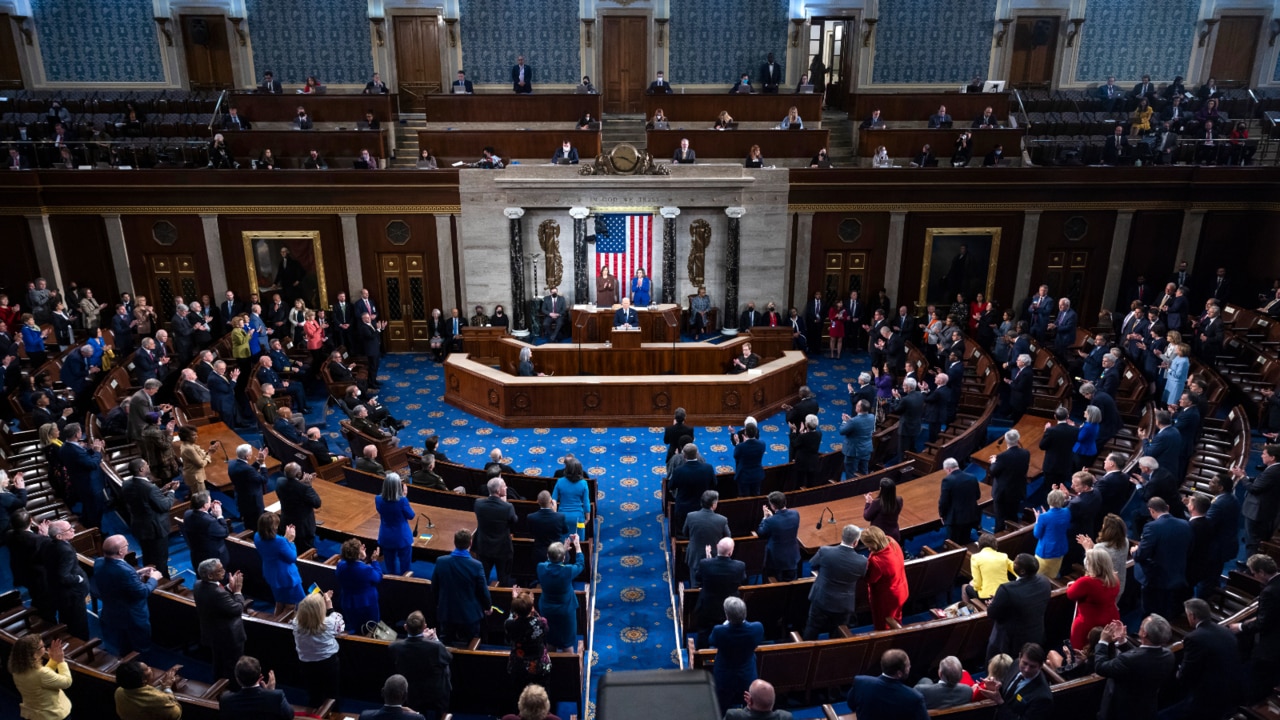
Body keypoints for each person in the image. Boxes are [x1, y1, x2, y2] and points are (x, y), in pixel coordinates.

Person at [1163, 598, 1243, 720]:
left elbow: (1188, 670)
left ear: (1192, 616)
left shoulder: (1194, 638)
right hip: (1233, 687)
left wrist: (1179, 673)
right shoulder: (1226, 631)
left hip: (1210, 694)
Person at [1094, 615, 1175, 720]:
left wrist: (1103, 642)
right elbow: (1142, 656)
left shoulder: (1129, 660)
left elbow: (1100, 667)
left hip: (1121, 711)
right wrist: (1122, 641)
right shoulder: (1168, 655)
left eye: (1141, 625)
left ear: (1144, 633)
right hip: (1146, 708)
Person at [94, 534, 160, 655]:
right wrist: (154, 579)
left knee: (123, 642)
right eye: (127, 545)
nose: (128, 547)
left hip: (112, 611)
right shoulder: (124, 571)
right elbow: (142, 592)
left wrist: (137, 573)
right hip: (131, 616)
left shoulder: (98, 562)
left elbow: (116, 579)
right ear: (120, 551)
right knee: (140, 646)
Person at [803, 524, 867, 640]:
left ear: (842, 537)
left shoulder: (825, 551)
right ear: (856, 542)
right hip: (843, 606)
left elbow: (812, 564)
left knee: (812, 628)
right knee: (837, 634)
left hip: (821, 599)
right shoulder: (862, 561)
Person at [1231, 553, 1280, 702]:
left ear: (1262, 572)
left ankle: (1253, 705)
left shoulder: (1269, 592)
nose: (1253, 576)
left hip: (1272, 644)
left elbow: (1262, 624)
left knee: (1259, 679)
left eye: (1254, 573)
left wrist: (1240, 626)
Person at [987, 554, 1052, 659]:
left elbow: (992, 613)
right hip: (1036, 634)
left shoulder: (1007, 589)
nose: (1013, 563)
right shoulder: (1044, 581)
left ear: (1022, 571)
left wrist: (993, 603)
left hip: (1010, 642)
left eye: (1015, 563)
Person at [432, 529, 491, 644]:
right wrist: (488, 606)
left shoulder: (441, 561)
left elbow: (434, 587)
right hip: (469, 615)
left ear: (454, 542)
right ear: (470, 543)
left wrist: (439, 605)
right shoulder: (476, 565)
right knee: (471, 642)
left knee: (445, 642)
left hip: (447, 611)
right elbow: (482, 590)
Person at [192, 558, 246, 683]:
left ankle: (217, 683)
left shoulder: (198, 584)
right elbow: (237, 609)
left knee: (218, 661)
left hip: (212, 632)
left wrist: (228, 588)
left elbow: (216, 600)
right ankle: (232, 687)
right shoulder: (217, 594)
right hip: (228, 636)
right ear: (210, 575)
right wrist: (237, 591)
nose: (224, 571)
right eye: (220, 570)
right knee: (232, 664)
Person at [120, 459, 176, 578]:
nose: (148, 466)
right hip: (155, 529)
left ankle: (147, 576)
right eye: (146, 465)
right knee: (160, 559)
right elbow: (165, 506)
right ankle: (163, 582)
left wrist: (162, 490)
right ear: (142, 469)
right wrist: (171, 491)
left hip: (140, 527)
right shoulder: (149, 487)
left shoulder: (126, 483)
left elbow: (144, 500)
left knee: (148, 555)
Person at [710, 596, 764, 712]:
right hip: (747, 673)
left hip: (724, 676)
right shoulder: (757, 628)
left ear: (727, 616)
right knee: (748, 706)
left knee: (721, 706)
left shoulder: (719, 631)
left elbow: (712, 641)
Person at [293, 591, 343, 709]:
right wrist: (330, 607)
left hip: (306, 665)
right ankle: (334, 712)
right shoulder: (329, 623)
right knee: (332, 693)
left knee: (314, 692)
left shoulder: (296, 623)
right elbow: (340, 627)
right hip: (328, 663)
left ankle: (314, 711)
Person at [846, 649, 929, 720]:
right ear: (899, 673)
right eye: (908, 665)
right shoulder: (914, 697)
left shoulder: (861, 682)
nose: (910, 667)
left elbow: (851, 705)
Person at [1066, 548, 1121, 650]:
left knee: (1082, 651)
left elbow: (1070, 594)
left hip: (1089, 624)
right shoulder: (1114, 578)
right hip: (1110, 619)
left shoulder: (1086, 582)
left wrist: (1072, 585)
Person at [978, 643, 1053, 719]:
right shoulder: (1016, 664)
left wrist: (1000, 702)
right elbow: (1008, 691)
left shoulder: (1043, 697)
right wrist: (998, 687)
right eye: (1025, 663)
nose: (1027, 669)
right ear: (1020, 657)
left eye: (1032, 666)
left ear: (1040, 666)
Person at [8, 633, 72, 720]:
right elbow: (66, 682)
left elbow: (43, 679)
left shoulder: (18, 669)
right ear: (34, 654)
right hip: (52, 716)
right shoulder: (41, 674)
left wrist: (53, 660)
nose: (45, 648)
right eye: (42, 647)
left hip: (32, 715)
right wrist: (61, 661)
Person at [504, 589, 551, 706]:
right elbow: (544, 630)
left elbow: (511, 619)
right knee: (543, 689)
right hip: (539, 666)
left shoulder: (509, 624)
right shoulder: (541, 622)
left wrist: (515, 601)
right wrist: (530, 604)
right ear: (532, 608)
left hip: (518, 666)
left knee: (518, 691)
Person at [538, 536, 585, 651]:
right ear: (564, 558)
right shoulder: (567, 570)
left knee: (550, 641)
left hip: (547, 609)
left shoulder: (540, 567)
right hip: (565, 611)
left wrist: (561, 551)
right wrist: (577, 545)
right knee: (567, 643)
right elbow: (580, 564)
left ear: (548, 555)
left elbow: (551, 563)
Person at [1233, 444, 1280, 557]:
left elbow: (1254, 489)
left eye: (1264, 454)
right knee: (1255, 540)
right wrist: (1247, 477)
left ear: (1272, 457)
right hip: (1265, 510)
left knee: (1253, 542)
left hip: (1258, 512)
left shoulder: (1273, 471)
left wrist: (1242, 478)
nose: (1262, 456)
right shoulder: (1274, 469)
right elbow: (1261, 482)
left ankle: (1251, 570)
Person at [254, 512, 303, 614]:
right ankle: (283, 625)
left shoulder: (257, 536)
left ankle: (276, 620)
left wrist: (285, 539)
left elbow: (275, 548)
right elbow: (292, 557)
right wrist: (290, 541)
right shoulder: (280, 541)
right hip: (286, 577)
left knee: (279, 601)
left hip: (271, 574)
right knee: (291, 605)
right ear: (273, 528)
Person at [861, 526, 908, 630]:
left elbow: (870, 579)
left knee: (882, 624)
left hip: (887, 598)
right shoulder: (892, 541)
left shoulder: (876, 560)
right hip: (901, 589)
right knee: (897, 617)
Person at [334, 537, 383, 635]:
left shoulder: (341, 566)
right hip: (366, 604)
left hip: (348, 602)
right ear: (357, 554)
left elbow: (353, 566)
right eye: (361, 547)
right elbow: (378, 577)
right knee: (371, 627)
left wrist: (361, 558)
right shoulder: (365, 570)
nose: (363, 547)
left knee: (354, 626)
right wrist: (374, 561)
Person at [474, 477, 517, 586]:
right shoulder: (507, 507)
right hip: (502, 549)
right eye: (504, 486)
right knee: (504, 578)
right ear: (498, 491)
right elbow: (514, 521)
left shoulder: (478, 503)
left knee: (483, 577)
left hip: (484, 546)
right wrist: (505, 502)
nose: (506, 487)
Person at [219, 656, 292, 718]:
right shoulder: (276, 696)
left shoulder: (226, 700)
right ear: (260, 675)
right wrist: (271, 691)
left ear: (237, 678)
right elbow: (290, 715)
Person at [988, 428, 1030, 529]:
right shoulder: (1026, 453)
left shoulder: (1002, 457)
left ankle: (999, 538)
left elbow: (993, 471)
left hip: (1003, 493)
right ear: (1018, 439)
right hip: (1017, 490)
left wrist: (994, 461)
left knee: (1000, 518)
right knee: (1013, 515)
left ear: (1006, 441)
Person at [113, 660, 182, 720]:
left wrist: (161, 687)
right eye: (147, 669)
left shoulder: (119, 692)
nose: (150, 668)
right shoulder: (160, 700)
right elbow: (176, 714)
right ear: (143, 680)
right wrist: (167, 688)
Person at [376, 472, 415, 576]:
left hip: (386, 535)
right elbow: (411, 515)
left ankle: (392, 583)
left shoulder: (378, 499)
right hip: (402, 537)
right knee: (405, 566)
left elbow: (381, 511)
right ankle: (405, 585)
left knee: (389, 565)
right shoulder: (402, 501)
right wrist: (405, 497)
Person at [758, 491, 800, 581]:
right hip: (792, 556)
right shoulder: (795, 514)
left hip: (775, 560)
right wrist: (772, 517)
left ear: (773, 506)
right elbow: (781, 523)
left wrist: (765, 518)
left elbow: (761, 533)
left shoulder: (770, 521)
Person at [1032, 489, 1071, 578]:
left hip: (1046, 552)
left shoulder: (1043, 517)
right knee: (1053, 575)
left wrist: (1037, 521)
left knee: (1036, 577)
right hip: (1061, 548)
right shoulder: (1067, 512)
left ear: (1048, 500)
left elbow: (1037, 534)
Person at [964, 533, 1013, 601]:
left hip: (987, 596)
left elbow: (977, 584)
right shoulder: (1003, 556)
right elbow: (1017, 570)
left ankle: (969, 610)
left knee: (965, 587)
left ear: (979, 545)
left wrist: (973, 585)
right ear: (995, 545)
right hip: (1005, 593)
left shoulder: (975, 558)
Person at [840, 399, 875, 479]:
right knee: (864, 473)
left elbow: (842, 431)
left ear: (859, 408)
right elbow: (859, 425)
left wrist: (845, 422)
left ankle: (850, 491)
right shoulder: (872, 417)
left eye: (857, 405)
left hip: (854, 451)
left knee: (850, 474)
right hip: (866, 449)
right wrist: (850, 420)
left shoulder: (853, 422)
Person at [863, 477, 904, 545]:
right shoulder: (899, 500)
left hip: (879, 537)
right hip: (893, 534)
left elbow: (867, 516)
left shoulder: (877, 503)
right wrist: (872, 503)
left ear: (881, 489)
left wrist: (868, 503)